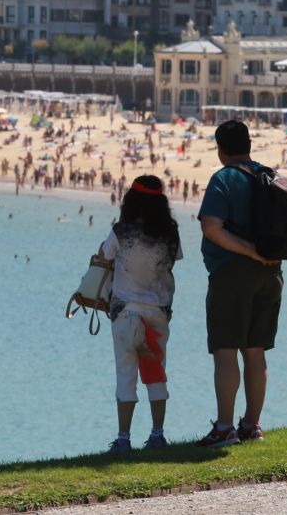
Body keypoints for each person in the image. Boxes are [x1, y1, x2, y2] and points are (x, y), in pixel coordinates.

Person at [195, 120, 281, 448]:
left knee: (226, 350)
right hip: (271, 275)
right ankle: (251, 425)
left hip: (231, 274)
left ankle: (224, 428)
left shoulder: (223, 179)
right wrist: (262, 254)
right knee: (256, 351)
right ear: (249, 144)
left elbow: (211, 227)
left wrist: (248, 250)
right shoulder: (269, 176)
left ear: (221, 149)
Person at [99, 174, 182, 453]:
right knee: (156, 374)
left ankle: (123, 439)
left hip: (125, 312)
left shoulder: (121, 231)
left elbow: (105, 255)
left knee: (126, 375)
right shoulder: (170, 233)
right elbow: (175, 259)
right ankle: (157, 435)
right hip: (157, 312)